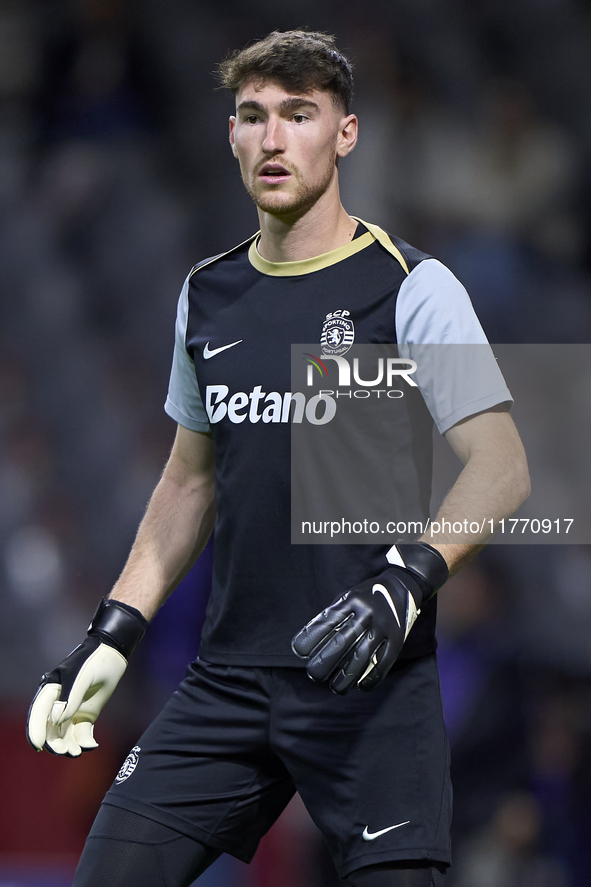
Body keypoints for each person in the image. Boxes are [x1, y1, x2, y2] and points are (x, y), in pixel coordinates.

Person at [26, 30, 530, 887]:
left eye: (299, 115)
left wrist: (404, 581)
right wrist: (112, 630)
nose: (272, 138)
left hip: (369, 680)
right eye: (253, 116)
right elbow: (188, 481)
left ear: (345, 134)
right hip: (228, 682)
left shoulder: (411, 285)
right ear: (229, 134)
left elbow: (502, 466)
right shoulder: (208, 293)